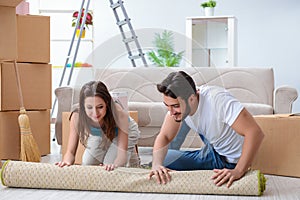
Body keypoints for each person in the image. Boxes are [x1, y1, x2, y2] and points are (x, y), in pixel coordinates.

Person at [148, 71, 264, 187]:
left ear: (192, 98)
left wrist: (239, 170)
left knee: (168, 155)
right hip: (213, 145)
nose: (171, 112)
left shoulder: (218, 100)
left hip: (229, 160)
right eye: (167, 106)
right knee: (160, 160)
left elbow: (255, 132)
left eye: (175, 106)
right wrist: (156, 165)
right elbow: (164, 136)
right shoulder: (180, 105)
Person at [56, 81, 140, 170]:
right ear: (83, 106)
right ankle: (127, 151)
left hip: (125, 132)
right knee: (88, 163)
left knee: (109, 165)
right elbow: (70, 151)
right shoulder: (77, 116)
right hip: (101, 135)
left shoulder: (119, 114)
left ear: (107, 104)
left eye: (100, 107)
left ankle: (132, 154)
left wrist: (115, 165)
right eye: (89, 107)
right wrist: (66, 162)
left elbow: (121, 155)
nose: (95, 113)